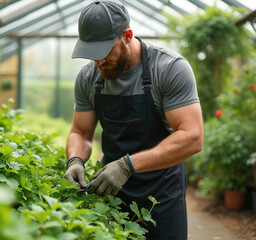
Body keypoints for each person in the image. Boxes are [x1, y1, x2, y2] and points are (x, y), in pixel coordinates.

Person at [63, 0, 203, 239]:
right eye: (91, 54)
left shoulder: (169, 68)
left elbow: (192, 137)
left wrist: (127, 165)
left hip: (162, 192)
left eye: (104, 52)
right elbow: (81, 132)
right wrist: (75, 160)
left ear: (127, 36)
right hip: (111, 189)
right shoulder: (88, 77)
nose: (98, 62)